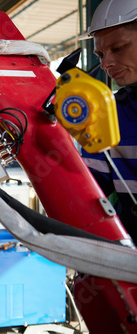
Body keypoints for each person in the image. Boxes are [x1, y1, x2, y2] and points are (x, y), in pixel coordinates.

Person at [79, 0, 137, 240]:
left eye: (119, 47)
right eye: (100, 54)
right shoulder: (106, 116)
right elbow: (86, 197)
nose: (105, 64)